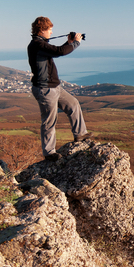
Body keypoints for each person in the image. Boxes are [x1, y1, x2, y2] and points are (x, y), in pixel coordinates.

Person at [27, 16, 93, 161]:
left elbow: (56, 50)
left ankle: (80, 134)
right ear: (42, 30)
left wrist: (68, 43)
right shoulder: (37, 45)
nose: (51, 32)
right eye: (49, 30)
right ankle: (49, 152)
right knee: (49, 120)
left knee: (73, 104)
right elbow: (60, 51)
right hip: (45, 89)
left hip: (55, 87)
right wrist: (75, 43)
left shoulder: (40, 44)